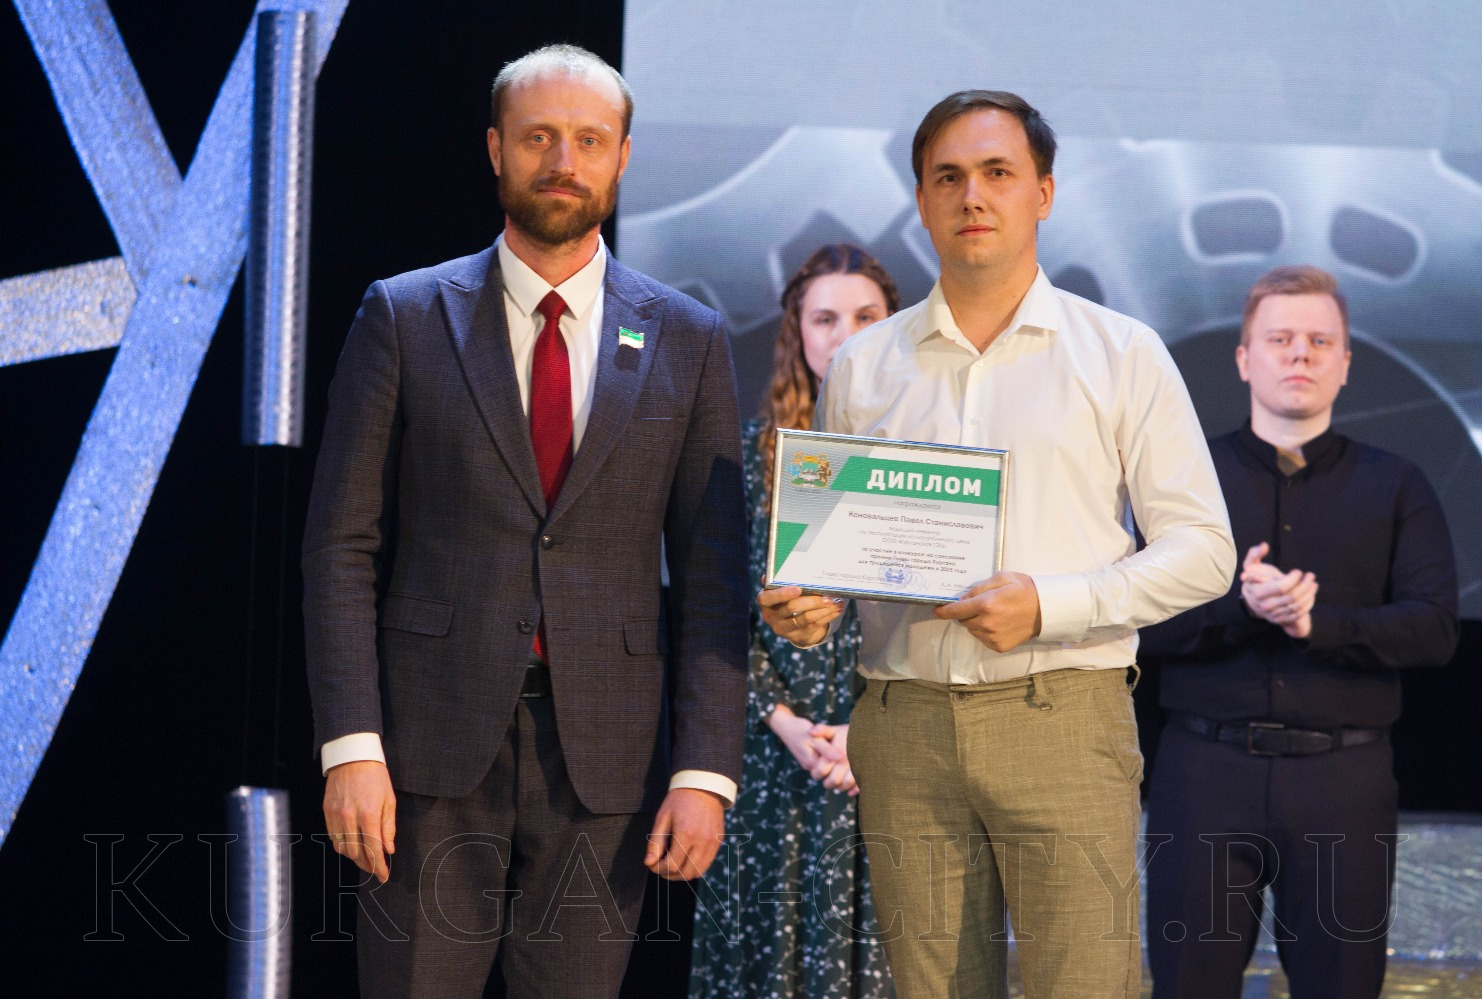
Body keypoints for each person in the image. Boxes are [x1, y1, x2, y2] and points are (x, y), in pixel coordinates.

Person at [759, 90, 1236, 998]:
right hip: (904, 727)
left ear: (1043, 193)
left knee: (1085, 986)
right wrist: (810, 605)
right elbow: (843, 554)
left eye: (997, 172)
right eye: (948, 177)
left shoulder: (1121, 352)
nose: (972, 195)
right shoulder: (864, 363)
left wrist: (1051, 603)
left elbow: (1206, 549)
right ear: (921, 200)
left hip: (1061, 716)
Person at [302, 44, 749, 999]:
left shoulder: (690, 337)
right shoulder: (404, 315)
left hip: (607, 760)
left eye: (589, 139)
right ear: (495, 148)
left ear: (622, 156)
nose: (564, 161)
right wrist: (352, 745)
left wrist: (706, 770)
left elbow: (714, 576)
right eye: (539, 137)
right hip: (422, 754)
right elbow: (340, 547)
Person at [1138, 265, 1459, 999]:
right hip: (1204, 775)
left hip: (1343, 783)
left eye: (1319, 341)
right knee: (1187, 986)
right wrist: (1238, 607)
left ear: (1345, 363)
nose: (1300, 355)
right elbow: (1134, 621)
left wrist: (1317, 622)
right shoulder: (1188, 481)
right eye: (1280, 339)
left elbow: (1435, 628)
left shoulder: (1396, 484)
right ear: (1244, 358)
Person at [689, 244, 898, 999]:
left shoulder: (930, 462)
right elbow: (714, 615)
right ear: (797, 333)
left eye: (867, 317)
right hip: (773, 759)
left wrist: (870, 732)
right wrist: (782, 720)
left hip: (891, 758)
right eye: (826, 318)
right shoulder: (748, 462)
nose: (846, 335)